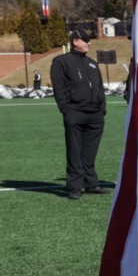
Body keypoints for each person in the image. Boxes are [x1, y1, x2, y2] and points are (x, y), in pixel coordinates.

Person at [50, 33, 108, 197]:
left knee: (90, 151)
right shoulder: (61, 61)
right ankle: (75, 187)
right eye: (86, 40)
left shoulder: (92, 63)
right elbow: (59, 87)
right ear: (75, 41)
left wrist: (102, 108)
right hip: (75, 112)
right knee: (74, 151)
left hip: (95, 114)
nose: (89, 43)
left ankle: (91, 183)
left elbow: (99, 87)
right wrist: (66, 109)